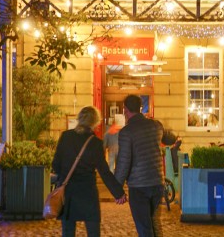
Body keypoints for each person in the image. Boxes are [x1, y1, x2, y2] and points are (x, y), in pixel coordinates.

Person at [52, 106, 125, 237]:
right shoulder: (95, 143)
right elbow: (104, 171)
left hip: (68, 192)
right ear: (95, 123)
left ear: (79, 119)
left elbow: (55, 165)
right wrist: (118, 193)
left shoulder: (65, 137)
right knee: (93, 231)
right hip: (87, 193)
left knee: (68, 232)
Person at [114, 95, 165, 237]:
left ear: (125, 109)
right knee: (153, 223)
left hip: (139, 186)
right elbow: (167, 137)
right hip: (157, 183)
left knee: (144, 228)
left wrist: (117, 189)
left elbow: (124, 162)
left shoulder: (126, 132)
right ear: (140, 107)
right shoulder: (156, 125)